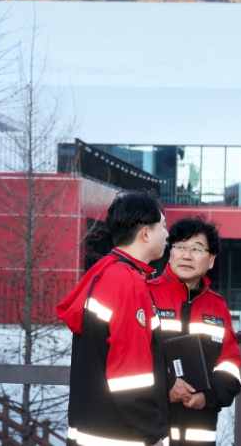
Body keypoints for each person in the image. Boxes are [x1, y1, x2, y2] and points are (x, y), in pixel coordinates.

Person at [57, 190, 169, 446]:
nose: (167, 234)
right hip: (121, 435)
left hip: (93, 430)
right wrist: (153, 432)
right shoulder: (128, 283)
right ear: (145, 233)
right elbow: (130, 374)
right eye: (163, 226)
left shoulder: (105, 272)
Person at [148, 216, 241, 446]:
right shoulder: (145, 294)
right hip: (150, 432)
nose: (187, 255)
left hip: (200, 434)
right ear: (170, 252)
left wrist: (207, 396)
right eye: (180, 246)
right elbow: (128, 358)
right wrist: (166, 384)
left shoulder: (217, 306)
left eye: (197, 249)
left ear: (211, 260)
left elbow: (230, 364)